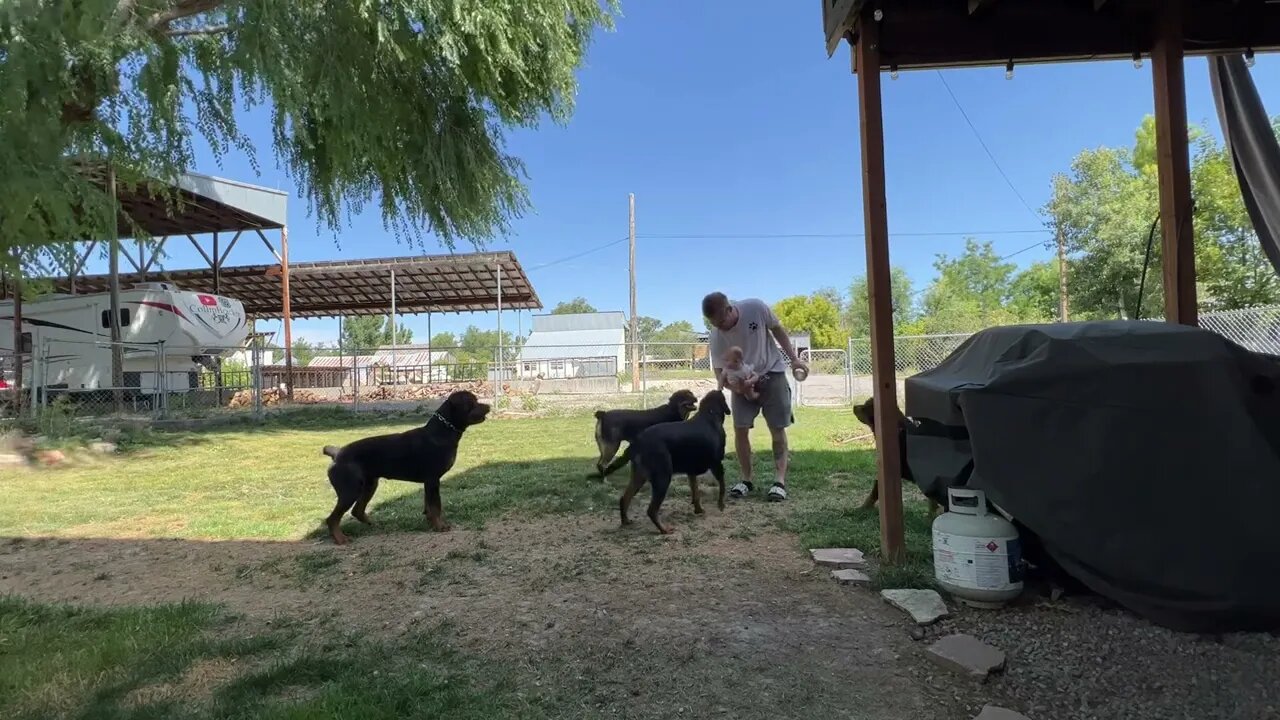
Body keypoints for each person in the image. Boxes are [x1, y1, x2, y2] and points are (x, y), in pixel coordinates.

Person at [702, 291, 809, 502]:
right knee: (740, 429)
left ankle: (779, 481)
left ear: (730, 309)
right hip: (741, 382)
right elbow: (718, 371)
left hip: (772, 372)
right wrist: (738, 390)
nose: (719, 327)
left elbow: (777, 330)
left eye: (722, 321)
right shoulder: (715, 335)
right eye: (714, 323)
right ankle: (746, 479)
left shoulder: (756, 308)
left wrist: (794, 360)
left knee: (777, 428)